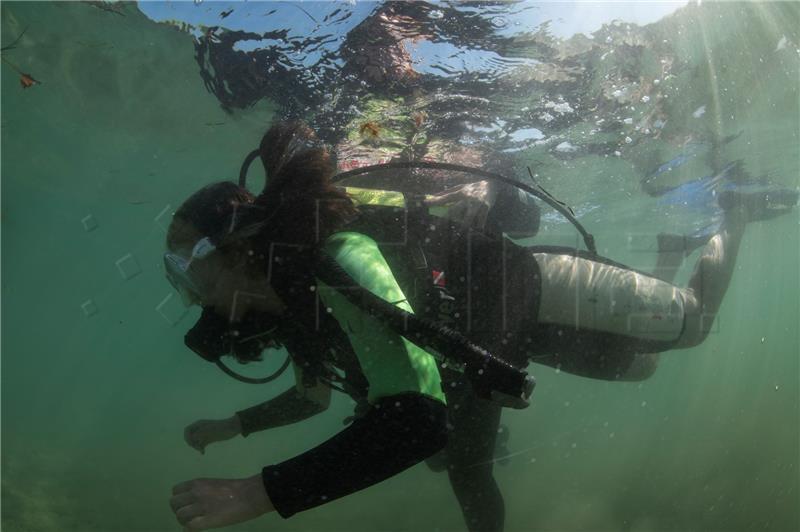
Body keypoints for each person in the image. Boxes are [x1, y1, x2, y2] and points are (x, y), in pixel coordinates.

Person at [167, 120, 796, 531]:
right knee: (639, 368)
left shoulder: (339, 258)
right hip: (492, 340)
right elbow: (314, 395)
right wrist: (233, 426)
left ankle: (731, 216)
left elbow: (415, 417)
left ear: (237, 249)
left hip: (540, 291)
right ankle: (665, 248)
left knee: (693, 326)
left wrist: (259, 493)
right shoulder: (289, 300)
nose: (190, 296)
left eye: (188, 271)